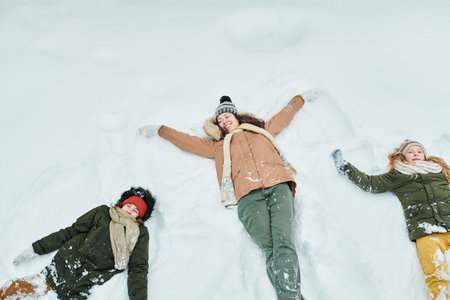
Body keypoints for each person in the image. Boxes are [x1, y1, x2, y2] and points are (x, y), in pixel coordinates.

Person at [139, 94, 311, 300]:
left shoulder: (261, 131)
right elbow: (188, 142)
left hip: (277, 185)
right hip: (248, 198)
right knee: (271, 248)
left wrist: (301, 98)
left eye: (227, 116)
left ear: (236, 116)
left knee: (283, 243)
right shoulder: (218, 146)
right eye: (220, 121)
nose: (224, 121)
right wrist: (161, 130)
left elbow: (283, 116)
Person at [332, 140, 450, 300]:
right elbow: (371, 183)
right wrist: (345, 168)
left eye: (419, 151)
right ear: (402, 156)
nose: (415, 153)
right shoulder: (398, 176)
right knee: (436, 274)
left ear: (425, 156)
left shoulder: (440, 172)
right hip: (426, 232)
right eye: (410, 151)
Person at [0, 187, 156, 300]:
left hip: (84, 283)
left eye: (135, 210)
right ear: (122, 204)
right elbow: (71, 232)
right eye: (129, 205)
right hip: (63, 266)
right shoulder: (103, 213)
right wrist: (36, 248)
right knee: (12, 289)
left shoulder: (139, 234)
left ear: (139, 217)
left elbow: (138, 268)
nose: (129, 211)